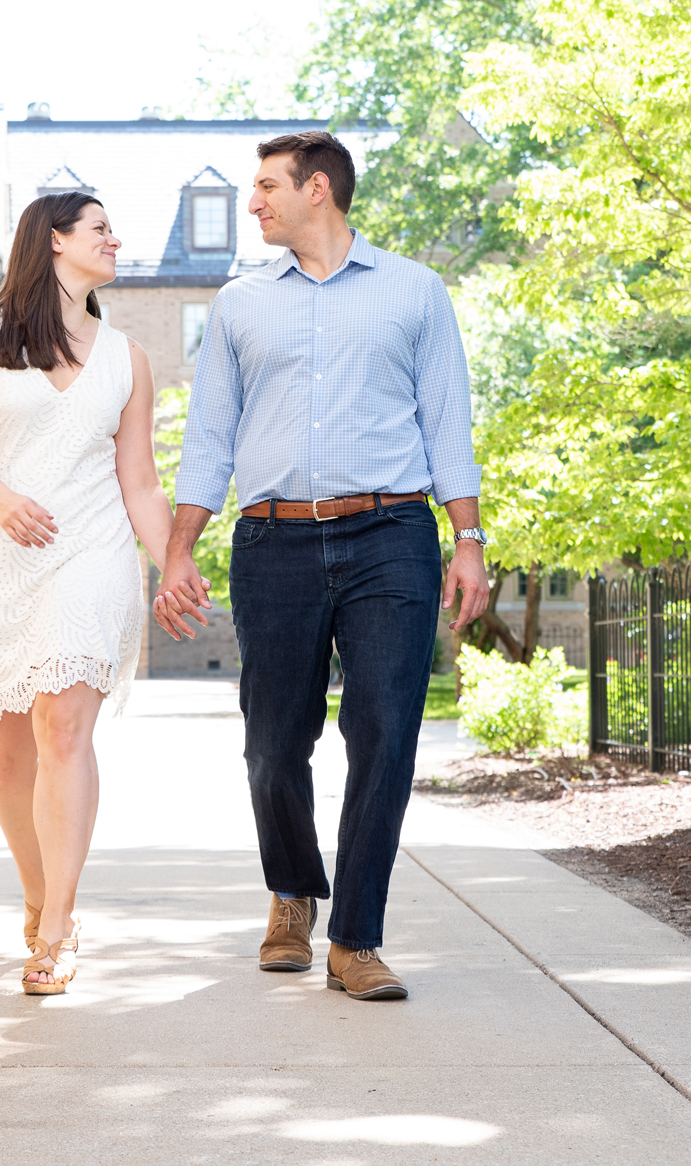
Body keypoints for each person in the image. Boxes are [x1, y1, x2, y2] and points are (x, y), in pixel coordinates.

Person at [155, 131, 490, 1001]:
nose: (255, 202)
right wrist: (179, 547)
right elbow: (210, 436)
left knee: (384, 731)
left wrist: (468, 540)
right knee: (273, 742)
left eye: (266, 187)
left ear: (318, 190)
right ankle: (291, 894)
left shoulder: (414, 291)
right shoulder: (240, 304)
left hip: (391, 534)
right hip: (275, 541)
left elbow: (447, 421)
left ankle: (356, 938)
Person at [0, 190, 178, 996]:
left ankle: (57, 925)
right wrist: (5, 501)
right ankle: (40, 894)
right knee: (5, 754)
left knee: (63, 728)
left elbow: (140, 482)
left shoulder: (129, 358)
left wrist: (172, 560)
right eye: (101, 228)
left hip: (92, 552)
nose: (116, 238)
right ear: (53, 242)